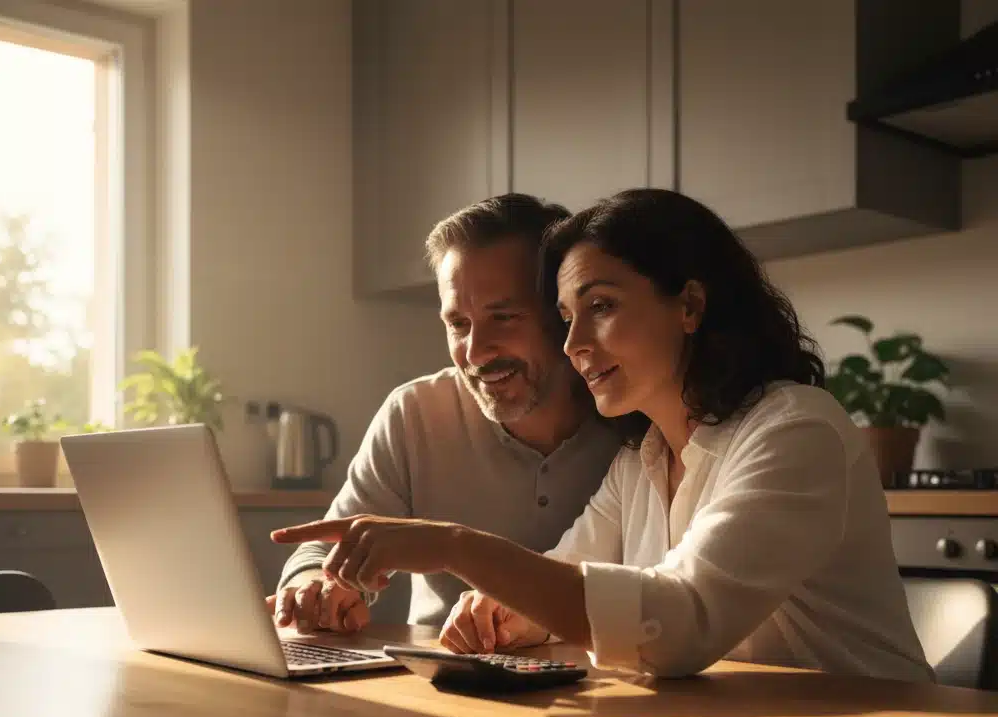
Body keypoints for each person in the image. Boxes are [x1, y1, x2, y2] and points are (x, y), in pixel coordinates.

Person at [271, 188, 932, 683]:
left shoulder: (795, 429)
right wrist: (509, 612)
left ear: (691, 306)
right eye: (566, 316)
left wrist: (454, 548)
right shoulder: (642, 459)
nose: (575, 343)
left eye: (602, 307)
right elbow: (566, 574)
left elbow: (680, 626)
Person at [271, 194, 621, 633]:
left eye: (505, 317)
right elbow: (326, 549)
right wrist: (316, 586)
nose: (475, 351)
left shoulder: (630, 418)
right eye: (458, 324)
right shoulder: (415, 414)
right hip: (444, 684)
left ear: (563, 314)